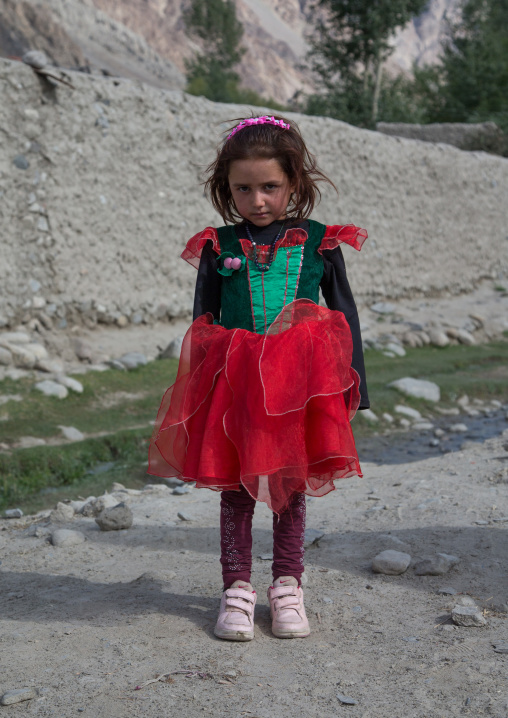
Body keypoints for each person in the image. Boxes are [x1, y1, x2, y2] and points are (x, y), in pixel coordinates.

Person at [148, 115, 369, 642]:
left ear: (294, 182)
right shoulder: (216, 245)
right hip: (235, 385)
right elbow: (202, 325)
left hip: (300, 387)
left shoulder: (321, 242)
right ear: (226, 188)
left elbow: (344, 315)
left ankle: (288, 585)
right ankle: (237, 591)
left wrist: (356, 381)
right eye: (242, 188)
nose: (258, 199)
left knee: (290, 486)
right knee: (236, 488)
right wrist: (197, 391)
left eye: (270, 186)